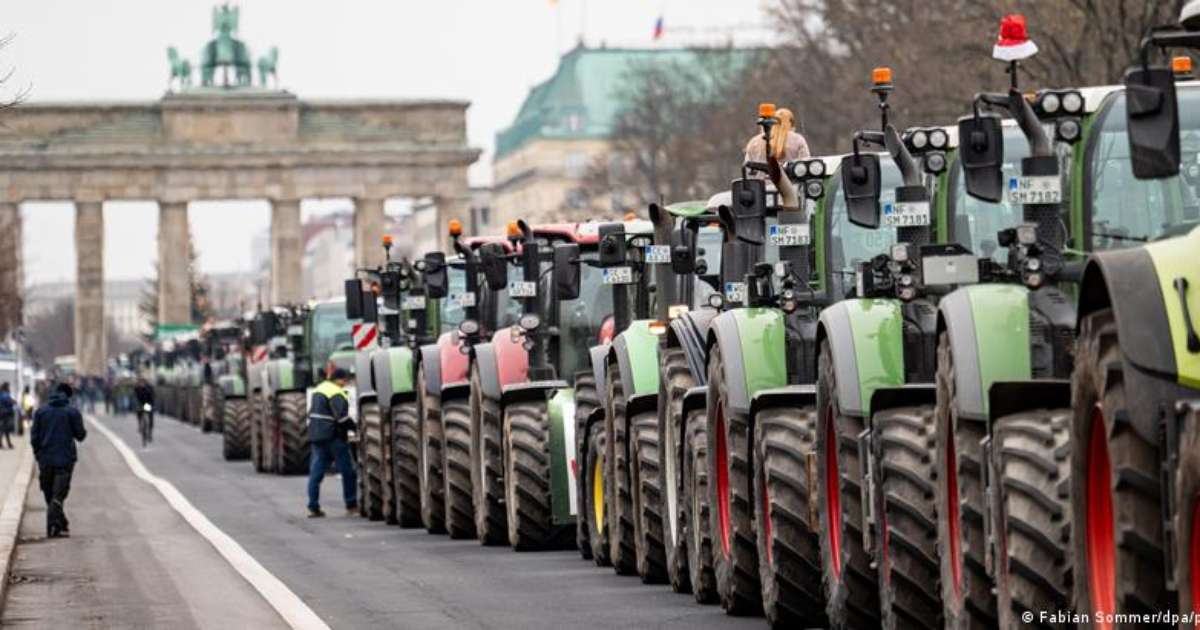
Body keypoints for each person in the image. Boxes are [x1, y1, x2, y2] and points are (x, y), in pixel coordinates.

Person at [31, 383, 86, 538]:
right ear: (68, 396)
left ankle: (59, 524)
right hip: (65, 459)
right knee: (59, 495)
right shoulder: (72, 412)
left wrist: (38, 454)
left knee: (49, 494)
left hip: (45, 459)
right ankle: (54, 525)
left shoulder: (41, 412)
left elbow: (34, 437)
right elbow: (80, 435)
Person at [305, 368, 357, 518]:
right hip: (333, 437)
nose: (346, 383)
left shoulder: (318, 389)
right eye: (346, 380)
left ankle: (313, 506)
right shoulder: (336, 392)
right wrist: (354, 427)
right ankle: (351, 505)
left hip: (316, 436)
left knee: (316, 473)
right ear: (340, 380)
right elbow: (341, 418)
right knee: (348, 471)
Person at [743, 107, 810, 175]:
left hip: (761, 184)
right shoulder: (798, 140)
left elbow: (747, 171)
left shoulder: (754, 142)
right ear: (791, 125)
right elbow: (805, 166)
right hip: (791, 185)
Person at [133, 378, 155, 446]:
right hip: (141, 403)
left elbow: (152, 397)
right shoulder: (137, 388)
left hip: (148, 404)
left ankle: (150, 432)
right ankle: (140, 424)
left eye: (142, 383)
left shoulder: (149, 388)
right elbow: (135, 396)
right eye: (140, 383)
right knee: (138, 412)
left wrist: (152, 406)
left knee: (150, 416)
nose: (141, 385)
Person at [0, 383, 15, 449]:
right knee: (4, 429)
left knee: (4, 429)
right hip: (6, 414)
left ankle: (8, 444)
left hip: (3, 413)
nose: (10, 388)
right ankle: (6, 444)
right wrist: (13, 401)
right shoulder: (5, 394)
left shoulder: (1, 394)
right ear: (6, 387)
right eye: (9, 386)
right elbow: (9, 402)